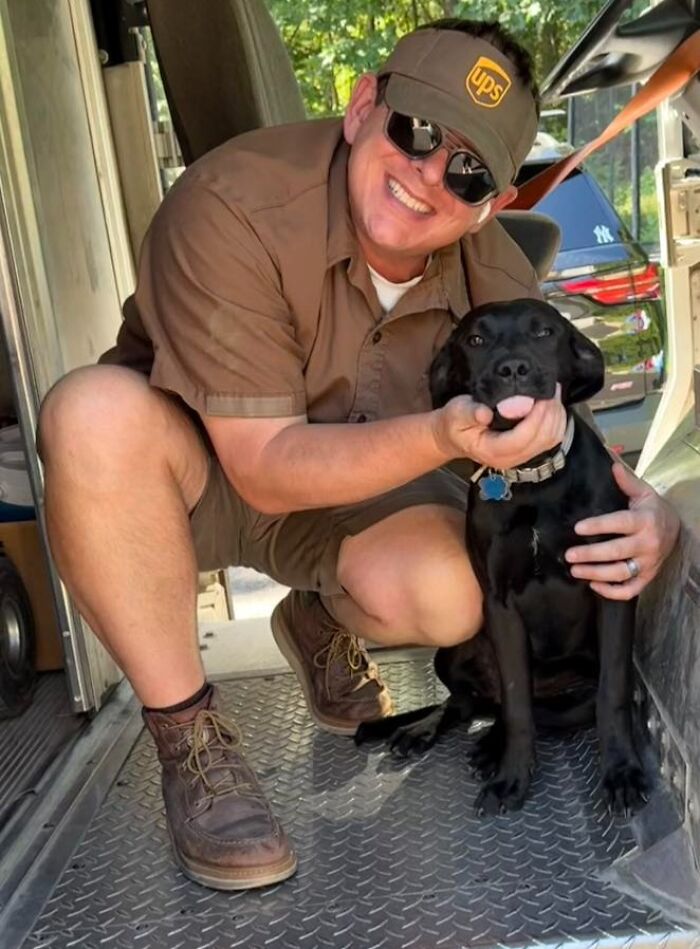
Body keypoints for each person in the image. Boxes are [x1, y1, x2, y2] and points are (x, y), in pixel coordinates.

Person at [37, 18, 679, 891]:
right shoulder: (233, 203)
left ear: (489, 200)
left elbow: (563, 435)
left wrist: (652, 512)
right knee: (89, 415)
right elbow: (262, 464)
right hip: (207, 471)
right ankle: (188, 736)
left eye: (467, 172)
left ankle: (320, 613)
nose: (428, 177)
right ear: (363, 104)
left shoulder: (487, 262)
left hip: (353, 489)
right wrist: (441, 434)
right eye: (418, 132)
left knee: (454, 597)